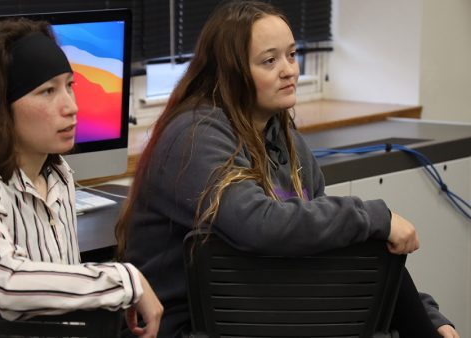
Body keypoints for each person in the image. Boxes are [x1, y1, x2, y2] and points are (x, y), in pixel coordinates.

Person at [115, 1, 458, 337]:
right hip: (190, 324)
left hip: (258, 301)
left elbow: (331, 237)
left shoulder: (280, 132)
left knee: (369, 250)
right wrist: (377, 218)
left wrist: (428, 313)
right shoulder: (194, 135)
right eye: (269, 60)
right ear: (232, 72)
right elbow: (258, 224)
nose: (289, 70)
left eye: (292, 55)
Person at [0, 18, 162, 337]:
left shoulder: (57, 173)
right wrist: (124, 280)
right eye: (47, 91)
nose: (72, 106)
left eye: (69, 85)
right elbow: (5, 283)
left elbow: (59, 293)